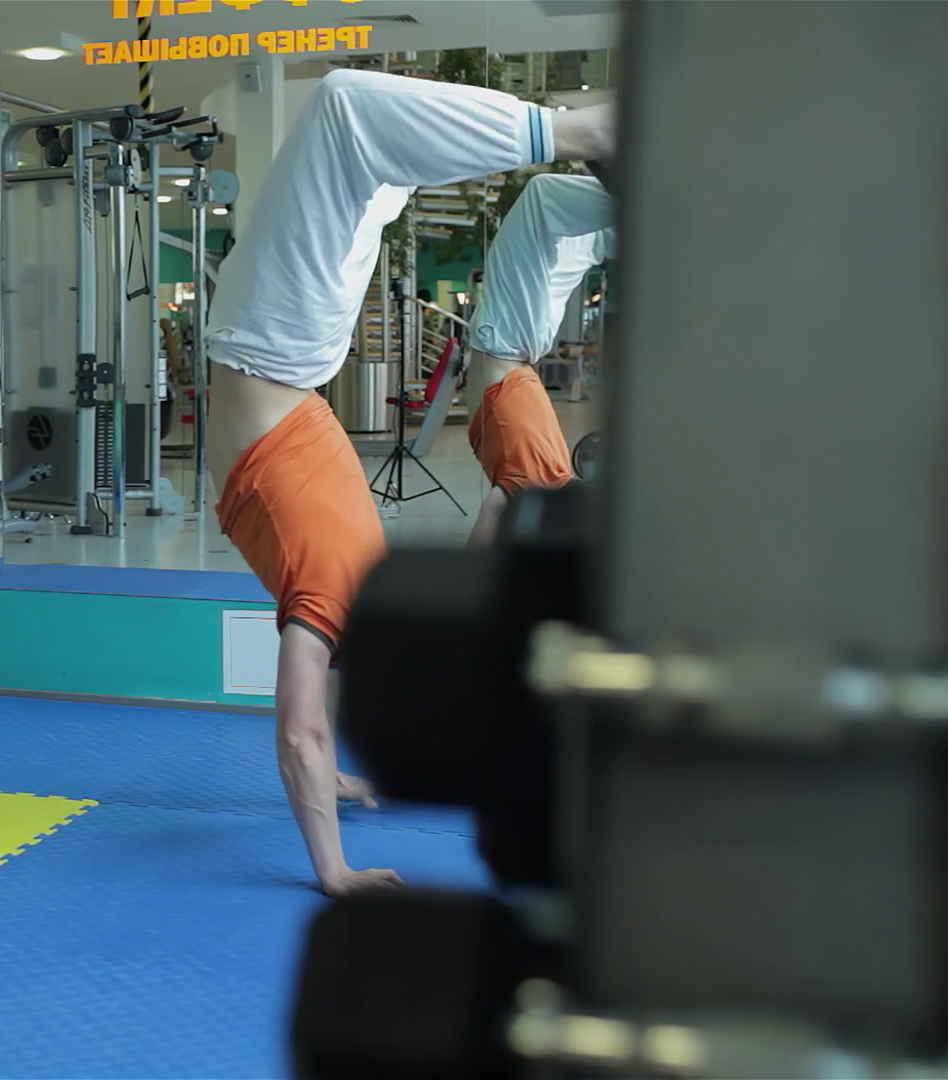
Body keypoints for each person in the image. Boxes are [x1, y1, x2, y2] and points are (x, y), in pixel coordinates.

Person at [203, 69, 615, 898]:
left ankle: (574, 133)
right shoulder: (345, 598)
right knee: (374, 165)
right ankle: (578, 133)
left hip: (272, 352)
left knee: (346, 113)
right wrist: (338, 833)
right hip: (288, 369)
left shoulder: (326, 605)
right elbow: (313, 732)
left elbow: (299, 729)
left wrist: (332, 863)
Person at [463, 172, 616, 547]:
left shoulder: (535, 480)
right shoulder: (555, 472)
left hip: (505, 343)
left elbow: (494, 510)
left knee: (541, 198)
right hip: (513, 350)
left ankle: (649, 195)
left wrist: (470, 575)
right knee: (584, 235)